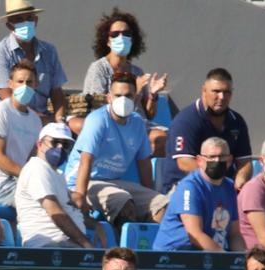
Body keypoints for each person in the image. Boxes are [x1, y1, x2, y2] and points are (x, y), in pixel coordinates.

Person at [64, 72, 168, 226]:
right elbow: (86, 161)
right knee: (123, 203)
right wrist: (80, 196)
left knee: (162, 205)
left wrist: (149, 199)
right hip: (83, 183)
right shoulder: (97, 120)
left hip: (114, 182)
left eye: (128, 96)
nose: (123, 100)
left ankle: (151, 248)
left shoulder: (138, 123)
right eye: (118, 95)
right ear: (109, 98)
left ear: (137, 99)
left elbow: (144, 164)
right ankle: (123, 250)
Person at [80, 7, 167, 148]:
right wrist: (136, 91)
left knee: (171, 139)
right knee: (159, 139)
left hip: (139, 124)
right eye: (115, 34)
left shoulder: (137, 71)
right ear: (107, 40)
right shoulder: (99, 69)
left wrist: (152, 94)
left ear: (132, 39)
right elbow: (99, 109)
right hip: (113, 126)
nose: (121, 38)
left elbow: (149, 115)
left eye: (126, 34)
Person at [158, 68, 253, 193]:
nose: (222, 97)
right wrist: (217, 180)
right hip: (185, 187)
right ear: (204, 91)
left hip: (224, 188)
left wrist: (241, 179)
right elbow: (185, 163)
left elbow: (245, 162)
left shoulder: (237, 121)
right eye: (216, 91)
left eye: (227, 92)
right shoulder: (186, 120)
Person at [16, 123, 96, 248]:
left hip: (65, 244)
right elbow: (54, 211)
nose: (60, 147)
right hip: (50, 244)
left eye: (65, 145)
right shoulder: (37, 168)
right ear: (39, 144)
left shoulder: (56, 174)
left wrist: (97, 226)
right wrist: (86, 244)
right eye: (55, 142)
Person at [0, 0, 65, 122]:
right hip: (8, 120)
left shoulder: (49, 51)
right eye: (19, 19)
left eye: (29, 18)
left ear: (36, 21)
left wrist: (60, 119)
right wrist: (42, 121)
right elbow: (8, 99)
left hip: (44, 118)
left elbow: (57, 93)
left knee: (79, 125)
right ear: (9, 26)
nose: (26, 23)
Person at [154, 137, 240, 252]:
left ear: (229, 160)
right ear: (199, 160)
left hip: (210, 256)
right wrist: (225, 260)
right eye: (211, 157)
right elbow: (195, 235)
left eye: (222, 156)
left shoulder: (229, 187)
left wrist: (241, 260)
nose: (217, 161)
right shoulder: (189, 187)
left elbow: (235, 234)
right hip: (177, 257)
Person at [0, 61, 42, 207]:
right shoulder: (0, 112)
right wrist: (29, 178)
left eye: (29, 82)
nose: (25, 86)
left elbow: (32, 160)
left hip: (21, 182)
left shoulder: (35, 120)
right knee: (43, 204)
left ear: (36, 85)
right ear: (10, 84)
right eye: (20, 81)